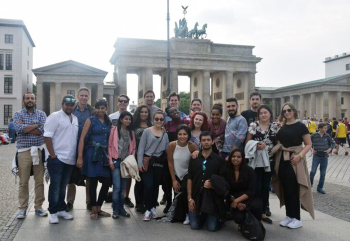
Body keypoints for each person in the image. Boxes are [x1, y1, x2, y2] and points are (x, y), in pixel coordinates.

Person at [271, 102, 314, 229]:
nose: (287, 113)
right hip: (282, 160)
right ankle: (289, 216)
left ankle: (297, 218)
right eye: (284, 111)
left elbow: (308, 144)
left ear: (294, 111)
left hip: (295, 159)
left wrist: (299, 156)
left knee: (294, 189)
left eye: (289, 110)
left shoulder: (301, 126)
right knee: (285, 188)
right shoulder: (282, 127)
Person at [44, 95, 78, 224]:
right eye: (67, 104)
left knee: (63, 186)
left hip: (70, 159)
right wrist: (52, 155)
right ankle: (52, 211)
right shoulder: (54, 116)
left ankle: (61, 208)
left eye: (71, 105)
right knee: (55, 186)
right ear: (63, 104)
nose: (69, 107)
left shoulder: (74, 119)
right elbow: (47, 136)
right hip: (57, 157)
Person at [76, 99, 112, 220]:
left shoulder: (108, 122)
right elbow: (82, 138)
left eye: (103, 108)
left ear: (106, 109)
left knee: (107, 181)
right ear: (95, 109)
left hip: (104, 154)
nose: (100, 110)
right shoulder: (90, 120)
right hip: (92, 153)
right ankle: (93, 209)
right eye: (98, 108)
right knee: (92, 181)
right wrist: (80, 157)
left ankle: (99, 207)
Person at [13, 92, 47, 219]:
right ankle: (22, 208)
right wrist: (36, 126)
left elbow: (43, 130)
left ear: (35, 101)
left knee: (39, 181)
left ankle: (38, 207)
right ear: (23, 101)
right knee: (23, 182)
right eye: (27, 98)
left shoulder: (42, 114)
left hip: (38, 151)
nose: (30, 100)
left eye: (32, 98)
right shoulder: (18, 114)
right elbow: (19, 129)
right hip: (24, 152)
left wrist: (28, 127)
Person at [245, 104, 278, 224]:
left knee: (265, 188)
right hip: (256, 162)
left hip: (269, 162)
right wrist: (256, 145)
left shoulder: (275, 126)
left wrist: (274, 149)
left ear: (270, 114)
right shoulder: (253, 125)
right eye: (261, 113)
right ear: (258, 115)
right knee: (256, 188)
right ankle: (254, 212)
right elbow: (247, 143)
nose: (263, 115)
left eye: (265, 112)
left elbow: (279, 142)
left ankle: (263, 212)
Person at [187, 131, 225, 232]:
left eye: (208, 140)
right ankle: (202, 216)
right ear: (200, 142)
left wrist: (213, 184)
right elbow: (189, 178)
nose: (206, 142)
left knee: (211, 228)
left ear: (213, 142)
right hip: (196, 197)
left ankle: (218, 218)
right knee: (194, 226)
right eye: (203, 140)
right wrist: (190, 199)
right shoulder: (194, 158)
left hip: (212, 198)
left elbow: (223, 180)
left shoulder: (218, 160)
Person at [66, 87, 95, 212]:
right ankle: (70, 201)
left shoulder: (92, 111)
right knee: (71, 176)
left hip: (88, 147)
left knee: (89, 175)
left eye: (86, 96)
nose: (84, 97)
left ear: (88, 97)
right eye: (81, 95)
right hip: (72, 145)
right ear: (78, 97)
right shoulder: (71, 110)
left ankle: (89, 201)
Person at [137, 110, 169, 221]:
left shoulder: (165, 133)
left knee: (155, 186)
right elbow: (141, 147)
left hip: (159, 162)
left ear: (164, 120)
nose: (159, 121)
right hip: (148, 161)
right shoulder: (147, 131)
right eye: (157, 119)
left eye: (161, 119)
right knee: (148, 186)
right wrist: (139, 163)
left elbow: (167, 149)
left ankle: (153, 208)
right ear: (153, 120)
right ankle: (147, 208)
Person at [167, 125, 198, 224]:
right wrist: (173, 180)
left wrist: (197, 151)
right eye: (180, 134)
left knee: (185, 192)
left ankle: (188, 214)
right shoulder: (172, 145)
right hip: (176, 174)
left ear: (188, 135)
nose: (182, 136)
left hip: (187, 174)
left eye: (185, 134)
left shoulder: (192, 145)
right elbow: (170, 162)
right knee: (177, 194)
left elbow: (198, 154)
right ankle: (178, 215)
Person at [108, 111, 136, 219]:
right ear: (121, 119)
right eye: (126, 119)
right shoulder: (114, 130)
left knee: (123, 187)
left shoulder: (131, 132)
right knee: (117, 187)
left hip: (126, 162)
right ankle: (115, 210)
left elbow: (133, 148)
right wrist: (110, 161)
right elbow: (110, 146)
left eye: (129, 119)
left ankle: (121, 209)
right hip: (116, 161)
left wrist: (130, 159)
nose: (127, 121)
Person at [162, 107, 190, 211]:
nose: (175, 112)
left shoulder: (186, 122)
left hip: (182, 155)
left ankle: (177, 203)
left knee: (180, 181)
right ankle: (169, 203)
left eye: (176, 110)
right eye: (172, 112)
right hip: (170, 154)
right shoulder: (167, 125)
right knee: (168, 181)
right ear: (169, 115)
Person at [226, 149, 262, 228]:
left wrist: (236, 201)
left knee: (256, 206)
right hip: (234, 197)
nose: (236, 159)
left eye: (238, 157)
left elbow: (251, 191)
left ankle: (256, 223)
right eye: (233, 156)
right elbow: (226, 191)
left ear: (242, 158)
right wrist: (237, 202)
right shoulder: (227, 171)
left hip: (249, 197)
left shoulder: (249, 170)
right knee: (238, 218)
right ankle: (242, 222)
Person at [133, 105, 153, 214]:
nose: (144, 114)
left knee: (148, 182)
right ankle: (139, 203)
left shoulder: (151, 125)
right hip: (137, 156)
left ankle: (146, 202)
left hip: (149, 157)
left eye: (146, 112)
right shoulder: (134, 125)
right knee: (139, 181)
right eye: (142, 112)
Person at [310, 122, 335, 194]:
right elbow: (308, 143)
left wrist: (330, 149)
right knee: (312, 172)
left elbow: (332, 143)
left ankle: (320, 187)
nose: (326, 129)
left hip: (324, 157)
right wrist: (311, 149)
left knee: (323, 173)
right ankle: (310, 185)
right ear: (320, 129)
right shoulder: (314, 135)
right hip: (316, 156)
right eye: (325, 128)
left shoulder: (327, 136)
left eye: (326, 128)